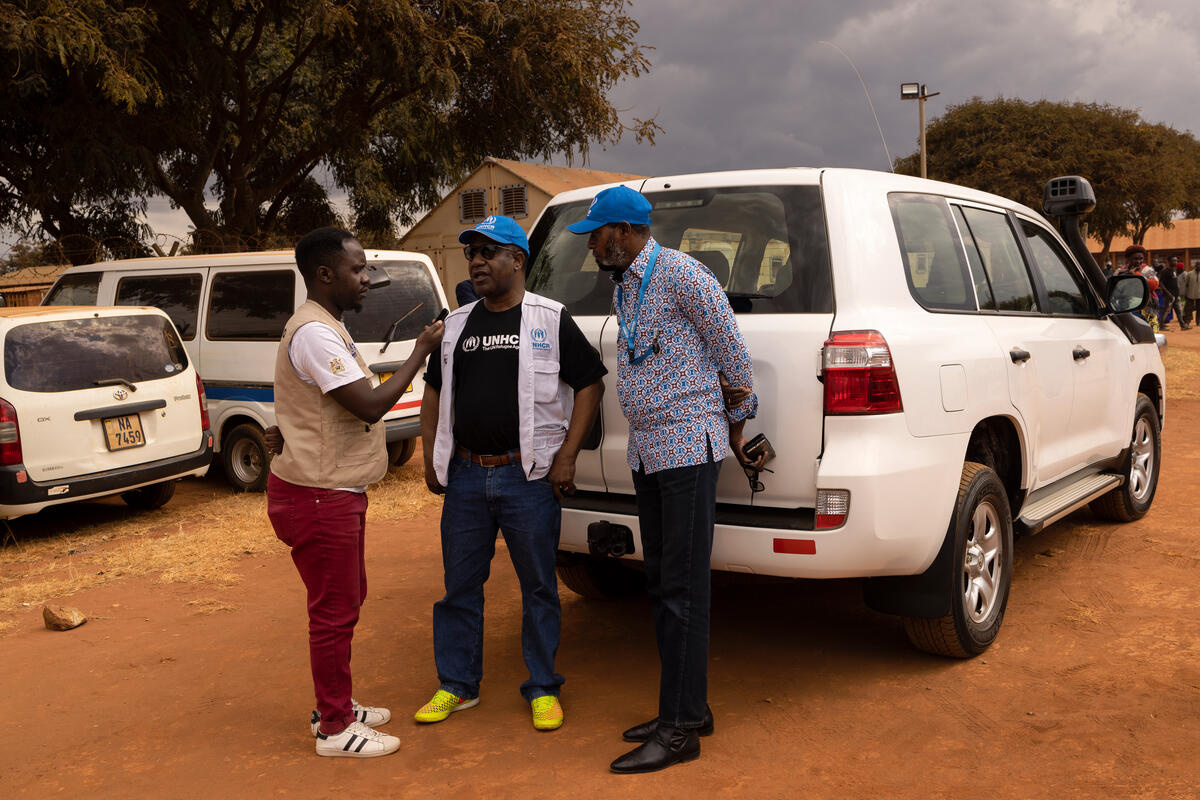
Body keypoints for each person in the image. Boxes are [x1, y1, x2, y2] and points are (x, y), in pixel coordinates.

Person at [567, 186, 763, 774]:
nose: (591, 246)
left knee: (680, 587)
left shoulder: (685, 276)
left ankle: (679, 732)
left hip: (687, 446)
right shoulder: (626, 282)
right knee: (662, 582)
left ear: (624, 231)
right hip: (651, 452)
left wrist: (733, 425)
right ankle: (688, 708)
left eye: (597, 235)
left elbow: (735, 359)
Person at [417, 214, 606, 732]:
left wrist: (568, 454)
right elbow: (434, 390)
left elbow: (590, 383)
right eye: (471, 254)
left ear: (517, 260)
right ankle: (457, 685)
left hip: (528, 479)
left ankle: (543, 687)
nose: (476, 262)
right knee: (459, 587)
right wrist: (432, 452)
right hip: (466, 478)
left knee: (539, 587)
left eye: (488, 253)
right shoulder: (457, 324)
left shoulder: (550, 318)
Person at [267, 226, 444, 758]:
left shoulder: (326, 328)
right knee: (333, 610)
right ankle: (335, 728)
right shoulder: (316, 334)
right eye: (358, 269)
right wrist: (420, 352)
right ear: (325, 275)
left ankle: (334, 703)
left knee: (346, 600)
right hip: (320, 496)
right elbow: (367, 405)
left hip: (330, 490)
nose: (367, 279)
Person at [1161, 257, 1190, 330]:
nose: (1175, 262)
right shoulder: (1165, 271)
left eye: (1176, 260)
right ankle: (1161, 325)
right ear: (1169, 262)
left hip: (1176, 295)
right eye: (1173, 260)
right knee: (1166, 311)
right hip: (1169, 296)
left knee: (1179, 311)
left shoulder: (1175, 271)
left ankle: (1183, 326)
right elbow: (1161, 283)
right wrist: (1168, 294)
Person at [1184, 259, 1200, 327]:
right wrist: (1186, 293)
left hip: (1199, 295)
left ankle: (1198, 321)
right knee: (1188, 309)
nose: (1199, 266)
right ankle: (1187, 322)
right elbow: (1186, 284)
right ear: (1195, 265)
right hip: (1190, 294)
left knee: (1199, 309)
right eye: (1197, 265)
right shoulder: (1189, 273)